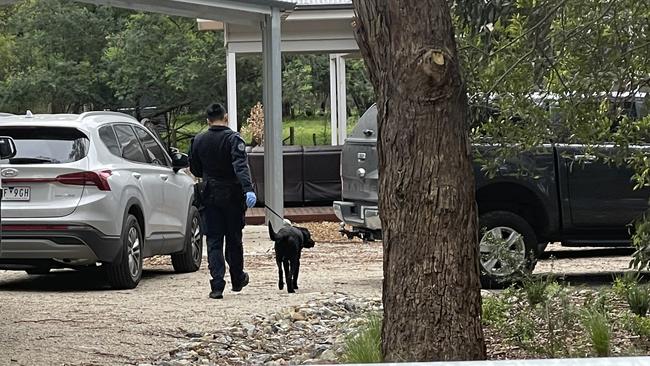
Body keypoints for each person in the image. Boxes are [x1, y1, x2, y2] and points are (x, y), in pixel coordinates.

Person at [189, 103, 257, 299]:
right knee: (234, 239)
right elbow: (240, 166)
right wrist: (248, 190)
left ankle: (217, 285)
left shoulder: (199, 140)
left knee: (214, 240)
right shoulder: (233, 139)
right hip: (233, 195)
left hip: (209, 194)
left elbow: (195, 169)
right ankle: (237, 279)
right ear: (225, 117)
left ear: (208, 120)